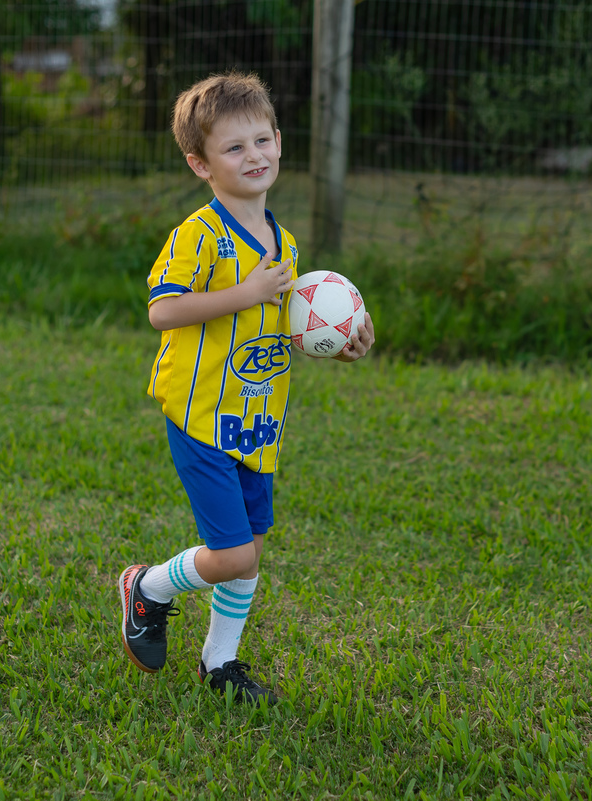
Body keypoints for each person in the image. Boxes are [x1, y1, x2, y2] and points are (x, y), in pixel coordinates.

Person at [117, 72, 375, 704]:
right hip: (202, 415)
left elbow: (269, 330)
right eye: (234, 148)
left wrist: (334, 343)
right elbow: (163, 310)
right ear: (200, 164)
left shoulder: (282, 243)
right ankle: (146, 587)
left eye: (262, 140)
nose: (254, 155)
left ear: (281, 143)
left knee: (250, 552)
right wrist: (245, 292)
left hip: (256, 421)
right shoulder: (198, 235)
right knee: (230, 556)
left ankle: (219, 665)